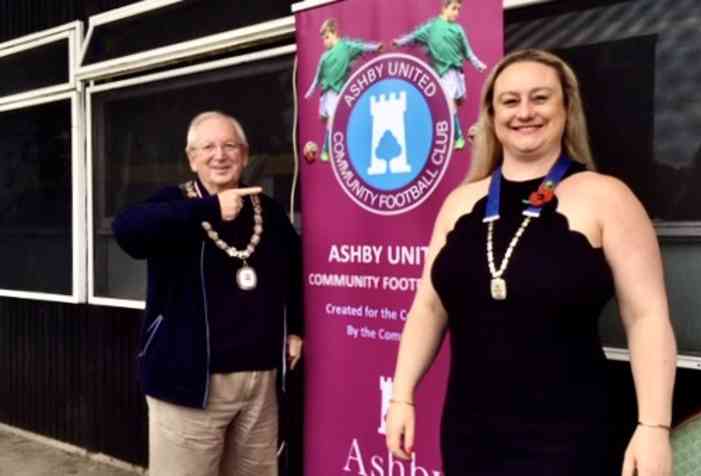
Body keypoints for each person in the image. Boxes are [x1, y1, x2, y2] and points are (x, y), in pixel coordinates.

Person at [385, 49, 676, 475]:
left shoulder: (606, 196)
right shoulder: (460, 203)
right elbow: (428, 307)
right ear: (491, 113)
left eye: (540, 98)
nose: (525, 112)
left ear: (566, 107)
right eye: (510, 100)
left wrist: (653, 426)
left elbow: (646, 316)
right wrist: (402, 395)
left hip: (570, 437)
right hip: (471, 433)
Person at [112, 111, 303, 476]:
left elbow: (293, 272)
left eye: (230, 146)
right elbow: (127, 230)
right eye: (209, 147)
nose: (220, 155)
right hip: (188, 382)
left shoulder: (270, 212)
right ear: (192, 157)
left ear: (245, 155)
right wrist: (211, 208)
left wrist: (295, 326)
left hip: (258, 381)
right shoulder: (174, 203)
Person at [392, 0, 486, 150]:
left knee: (457, 101)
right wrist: (400, 41)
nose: (456, 12)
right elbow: (414, 36)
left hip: (457, 73)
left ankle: (456, 129)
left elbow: (467, 51)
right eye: (454, 8)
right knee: (450, 104)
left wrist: (477, 63)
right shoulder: (432, 27)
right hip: (444, 72)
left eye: (458, 9)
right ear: (444, 8)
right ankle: (458, 137)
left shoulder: (458, 29)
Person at [304, 18, 382, 162]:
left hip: (336, 92)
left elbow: (361, 46)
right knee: (325, 119)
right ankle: (331, 143)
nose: (325, 41)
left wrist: (375, 47)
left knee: (332, 121)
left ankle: (326, 151)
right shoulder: (324, 57)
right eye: (323, 38)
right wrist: (310, 91)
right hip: (325, 95)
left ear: (334, 33)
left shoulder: (346, 47)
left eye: (327, 37)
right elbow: (317, 77)